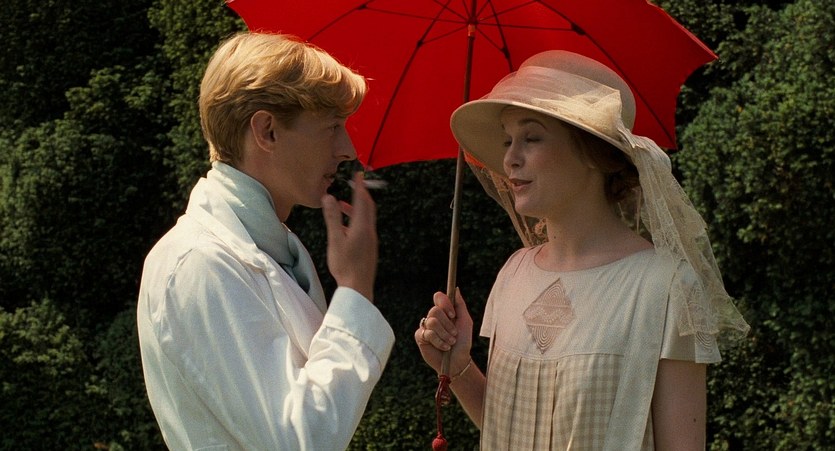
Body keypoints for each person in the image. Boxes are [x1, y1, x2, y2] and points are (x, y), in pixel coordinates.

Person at [415, 50, 749, 450]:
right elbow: (510, 430)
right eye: (507, 140)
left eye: (531, 138)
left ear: (593, 152)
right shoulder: (513, 274)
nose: (509, 159)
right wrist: (460, 367)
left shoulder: (665, 288)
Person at [137, 32, 395, 450]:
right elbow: (300, 438)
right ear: (267, 131)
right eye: (332, 127)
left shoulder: (272, 250)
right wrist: (354, 290)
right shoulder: (198, 262)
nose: (348, 149)